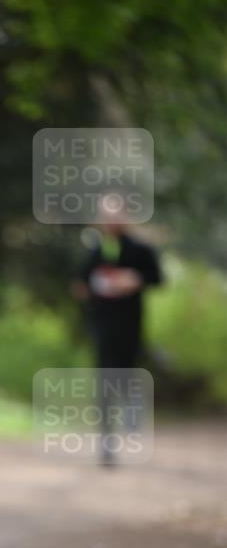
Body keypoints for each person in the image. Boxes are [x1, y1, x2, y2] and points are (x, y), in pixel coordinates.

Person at [72, 194, 162, 464]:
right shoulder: (96, 249)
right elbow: (79, 284)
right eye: (106, 216)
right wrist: (91, 287)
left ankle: (131, 419)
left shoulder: (139, 249)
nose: (111, 221)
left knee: (126, 376)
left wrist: (134, 280)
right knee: (104, 380)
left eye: (116, 216)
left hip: (130, 326)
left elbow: (157, 278)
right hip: (102, 326)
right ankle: (107, 441)